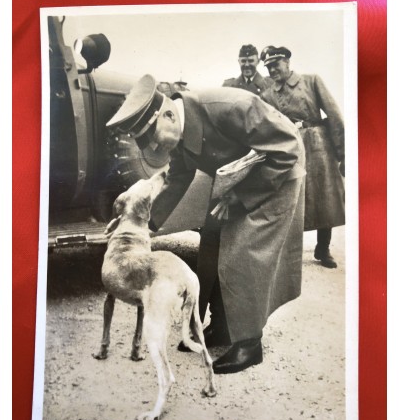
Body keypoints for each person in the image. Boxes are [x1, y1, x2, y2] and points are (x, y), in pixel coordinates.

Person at [106, 74, 306, 374]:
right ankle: (225, 327)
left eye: (154, 138)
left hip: (276, 175)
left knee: (242, 252)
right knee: (211, 241)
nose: (156, 148)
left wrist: (239, 198)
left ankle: (249, 344)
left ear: (169, 114)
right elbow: (177, 178)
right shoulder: (178, 128)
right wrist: (147, 225)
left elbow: (287, 148)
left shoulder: (230, 107)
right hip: (241, 177)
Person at [260, 46, 345, 268]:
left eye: (275, 64)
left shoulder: (311, 81)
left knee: (324, 197)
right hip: (290, 148)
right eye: (268, 67)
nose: (272, 70)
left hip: (318, 145)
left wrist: (342, 152)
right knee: (292, 197)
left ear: (287, 62)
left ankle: (323, 248)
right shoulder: (267, 95)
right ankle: (291, 251)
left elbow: (335, 115)